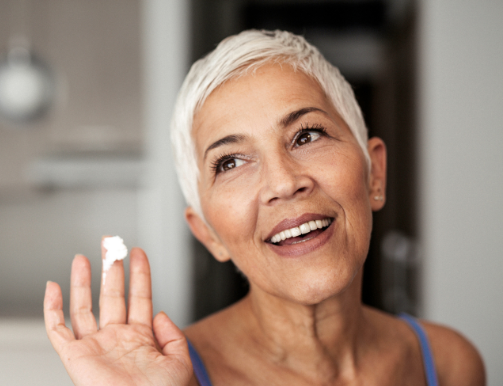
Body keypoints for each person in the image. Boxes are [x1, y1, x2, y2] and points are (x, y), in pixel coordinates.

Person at [43, 30, 485, 385]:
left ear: (375, 174)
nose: (283, 182)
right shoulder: (165, 377)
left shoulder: (449, 364)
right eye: (231, 162)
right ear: (208, 233)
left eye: (307, 135)